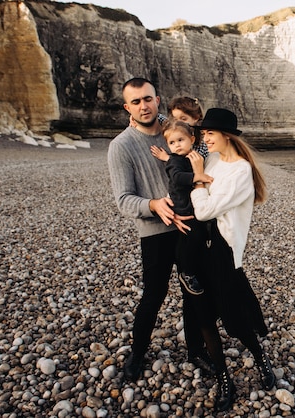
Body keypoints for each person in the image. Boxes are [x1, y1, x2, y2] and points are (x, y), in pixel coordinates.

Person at [107, 77, 214, 382]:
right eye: (136, 101)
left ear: (157, 100)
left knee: (194, 291)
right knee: (153, 295)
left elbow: (205, 141)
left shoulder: (174, 128)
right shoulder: (121, 146)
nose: (144, 106)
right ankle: (138, 353)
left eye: (148, 99)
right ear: (127, 107)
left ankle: (197, 351)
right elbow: (123, 200)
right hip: (155, 232)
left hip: (189, 225)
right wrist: (155, 206)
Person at [186, 108, 277, 412]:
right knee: (204, 318)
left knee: (234, 320)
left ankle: (260, 357)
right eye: (203, 133)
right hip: (199, 247)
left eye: (210, 133)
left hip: (222, 252)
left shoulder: (241, 172)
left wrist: (198, 181)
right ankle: (224, 377)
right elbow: (172, 127)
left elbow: (204, 211)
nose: (204, 138)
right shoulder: (211, 159)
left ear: (227, 135)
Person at [157, 119, 213, 295]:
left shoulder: (191, 156)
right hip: (182, 206)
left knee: (196, 235)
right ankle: (186, 272)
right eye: (171, 143)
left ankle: (194, 262)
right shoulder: (175, 161)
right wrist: (198, 177)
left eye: (180, 140)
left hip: (191, 203)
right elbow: (177, 177)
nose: (177, 145)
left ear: (192, 139)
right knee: (193, 235)